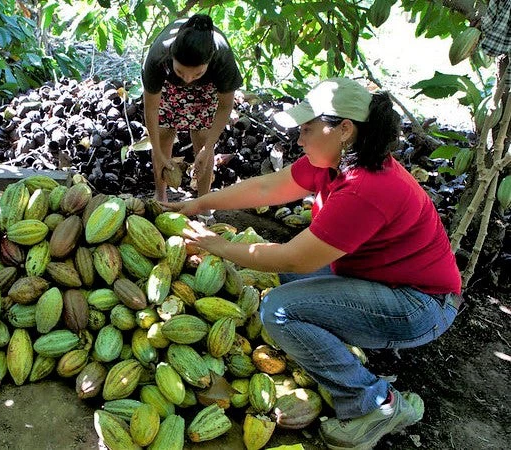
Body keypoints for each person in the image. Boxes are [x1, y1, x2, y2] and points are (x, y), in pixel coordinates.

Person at [164, 78, 462, 449]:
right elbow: (266, 188)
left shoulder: (366, 189)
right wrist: (199, 203)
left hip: (418, 306)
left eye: (307, 129)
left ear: (345, 129)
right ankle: (340, 354)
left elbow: (296, 257)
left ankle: (374, 404)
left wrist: (218, 246)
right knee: (285, 277)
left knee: (280, 310)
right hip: (382, 284)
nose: (299, 140)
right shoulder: (335, 162)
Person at [141, 14, 243, 205]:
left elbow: (225, 106)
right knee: (162, 135)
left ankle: (203, 203)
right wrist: (159, 153)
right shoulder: (158, 56)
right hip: (169, 85)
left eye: (197, 72)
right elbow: (152, 109)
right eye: (181, 71)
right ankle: (160, 197)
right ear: (171, 56)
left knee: (203, 138)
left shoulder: (222, 56)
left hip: (206, 89)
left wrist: (208, 148)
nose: (188, 79)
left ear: (209, 61)